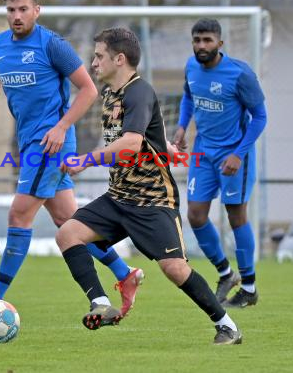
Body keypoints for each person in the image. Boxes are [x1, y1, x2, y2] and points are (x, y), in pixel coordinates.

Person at [0, 0, 144, 315]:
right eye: (11, 10)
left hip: (50, 143)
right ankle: (124, 273)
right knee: (67, 221)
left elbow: (87, 90)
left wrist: (60, 127)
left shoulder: (52, 45)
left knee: (18, 214)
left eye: (23, 9)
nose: (17, 16)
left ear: (36, 11)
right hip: (30, 141)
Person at [57, 27, 242, 345]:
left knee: (174, 269)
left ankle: (227, 325)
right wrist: (166, 146)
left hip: (152, 200)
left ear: (119, 58)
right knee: (68, 234)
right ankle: (101, 303)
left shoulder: (138, 90)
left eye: (99, 55)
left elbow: (129, 144)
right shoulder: (111, 93)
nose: (94, 62)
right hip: (118, 197)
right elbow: (143, 133)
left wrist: (85, 160)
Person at [173, 18, 267, 307]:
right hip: (203, 152)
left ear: (220, 44)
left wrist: (239, 154)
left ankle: (249, 289)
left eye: (207, 40)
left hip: (233, 154)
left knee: (235, 215)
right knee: (196, 215)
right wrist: (181, 126)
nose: (202, 46)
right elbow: (188, 97)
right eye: (197, 40)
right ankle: (226, 274)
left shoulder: (239, 74)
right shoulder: (191, 67)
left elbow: (260, 117)